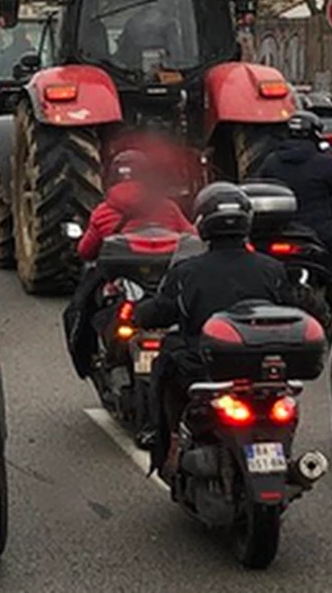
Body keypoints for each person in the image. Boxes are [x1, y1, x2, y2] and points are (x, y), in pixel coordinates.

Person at [133, 182, 294, 480]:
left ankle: (167, 443)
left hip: (204, 369)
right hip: (260, 367)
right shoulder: (271, 268)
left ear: (203, 224)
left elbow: (159, 311)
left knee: (163, 368)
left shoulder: (187, 272)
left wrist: (141, 314)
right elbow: (295, 307)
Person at [63, 150, 195, 379]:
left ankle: (87, 361)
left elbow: (85, 251)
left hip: (127, 289)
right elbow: (192, 238)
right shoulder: (167, 207)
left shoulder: (104, 212)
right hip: (165, 286)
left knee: (79, 311)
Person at [254, 111, 332, 296]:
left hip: (279, 232)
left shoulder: (271, 162)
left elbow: (258, 187)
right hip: (320, 230)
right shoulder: (323, 163)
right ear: (314, 134)